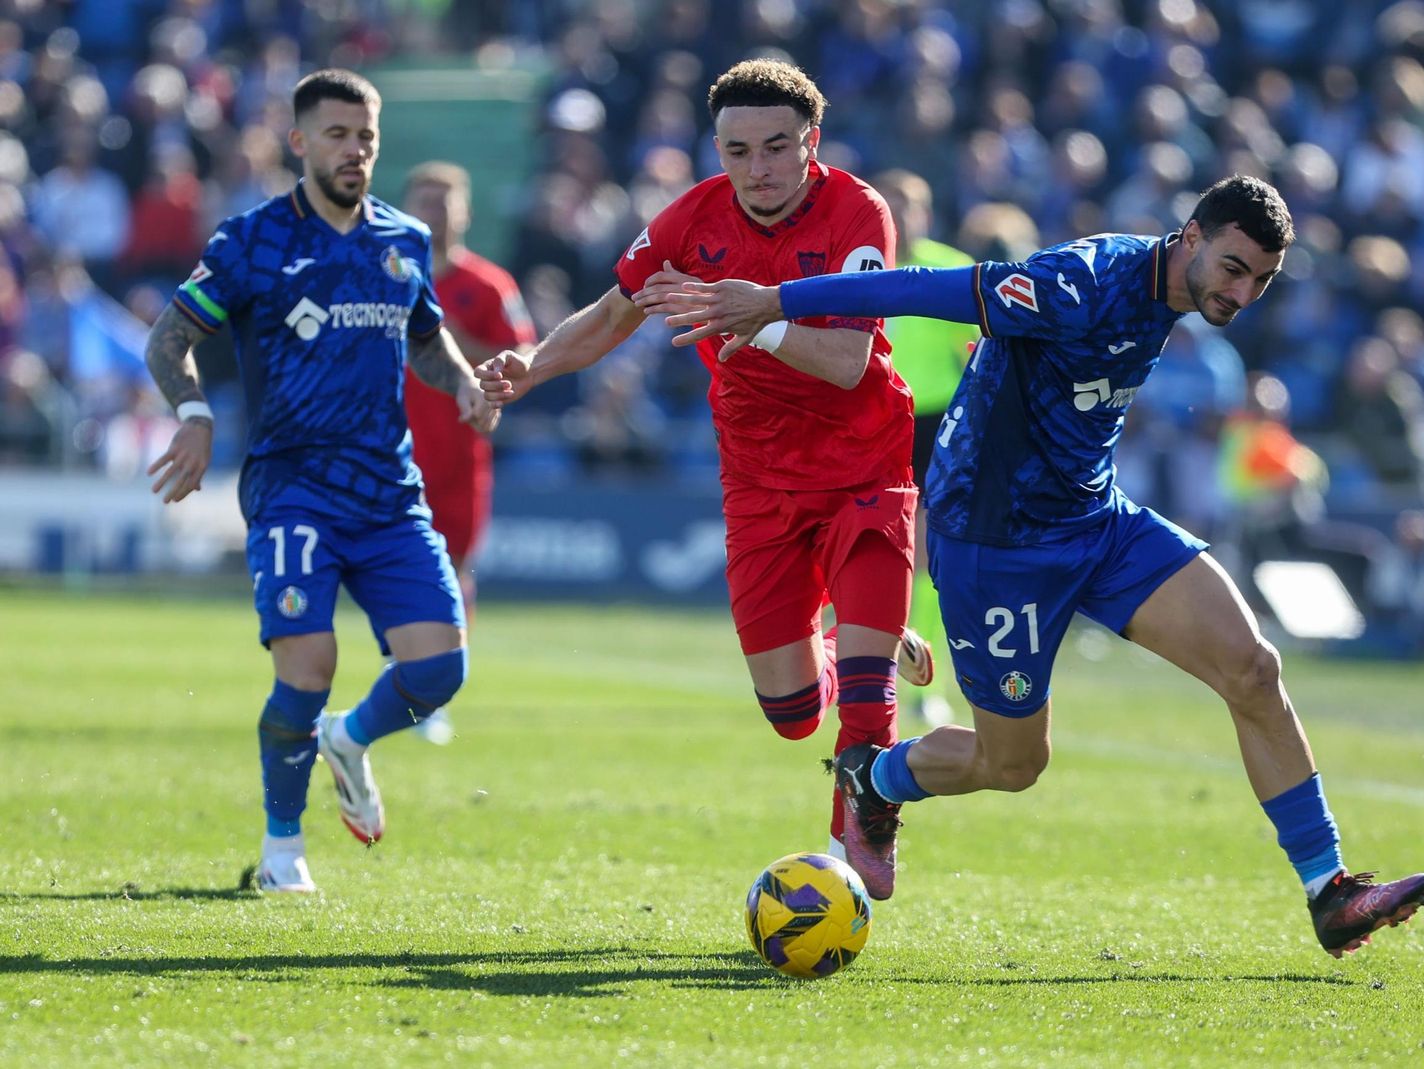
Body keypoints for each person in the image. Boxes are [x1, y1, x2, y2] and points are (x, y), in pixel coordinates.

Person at [638, 175, 1424, 958]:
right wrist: (777, 301)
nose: (1243, 291)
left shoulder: (1176, 294)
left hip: (1095, 520)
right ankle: (874, 779)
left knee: (1253, 668)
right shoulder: (1080, 281)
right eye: (1233, 268)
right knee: (1013, 763)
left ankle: (1327, 891)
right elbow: (928, 288)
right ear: (1190, 236)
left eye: (1261, 280)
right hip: (998, 545)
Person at [475, 58, 933, 900]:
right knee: (793, 714)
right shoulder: (690, 219)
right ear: (715, 149)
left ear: (811, 143)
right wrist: (534, 366)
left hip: (863, 466)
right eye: (736, 150)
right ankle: (854, 640)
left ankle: (861, 833)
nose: (757, 168)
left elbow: (846, 358)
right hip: (759, 482)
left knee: (865, 712)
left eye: (775, 147)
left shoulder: (857, 212)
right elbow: (616, 313)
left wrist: (754, 315)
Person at [144, 69, 498, 893]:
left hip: (388, 493)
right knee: (306, 665)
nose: (354, 151)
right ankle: (280, 851)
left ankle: (351, 738)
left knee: (441, 669)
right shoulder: (252, 239)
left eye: (366, 136)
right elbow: (169, 339)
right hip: (293, 487)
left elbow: (425, 341)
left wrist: (464, 384)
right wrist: (194, 415)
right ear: (300, 141)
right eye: (336, 135)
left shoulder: (403, 240)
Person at [401, 161, 538, 743]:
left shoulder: (486, 286)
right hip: (387, 450)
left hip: (457, 452)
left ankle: (433, 693)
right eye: (424, 198)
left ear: (465, 212)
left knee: (452, 574)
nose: (434, 209)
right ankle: (407, 677)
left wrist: (456, 339)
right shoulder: (383, 276)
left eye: (445, 199)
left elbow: (525, 357)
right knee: (396, 572)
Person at [873, 169, 979, 727]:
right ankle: (859, 660)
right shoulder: (856, 268)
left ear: (927, 213)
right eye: (891, 205)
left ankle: (920, 682)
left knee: (928, 553)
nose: (902, 215)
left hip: (933, 423)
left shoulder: (951, 270)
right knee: (865, 543)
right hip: (868, 420)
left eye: (910, 205)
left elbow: (982, 358)